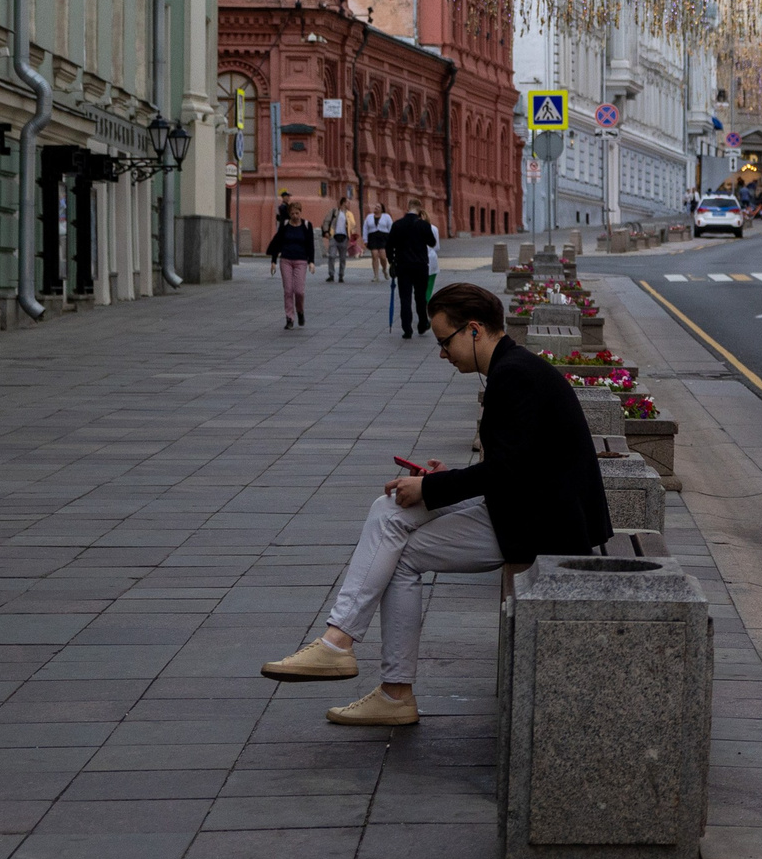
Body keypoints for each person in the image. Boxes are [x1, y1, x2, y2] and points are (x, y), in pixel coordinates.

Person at [259, 284, 612, 725]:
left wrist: (431, 489)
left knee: (400, 556)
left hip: (543, 525)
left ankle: (381, 681)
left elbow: (508, 472)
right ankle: (341, 646)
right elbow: (513, 464)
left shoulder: (513, 376)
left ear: (474, 330)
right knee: (389, 509)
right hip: (529, 506)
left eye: (445, 342)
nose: (442, 354)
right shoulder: (513, 368)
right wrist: (440, 480)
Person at [385, 203, 439, 339]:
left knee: (405, 298)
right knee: (420, 296)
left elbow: (389, 246)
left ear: (407, 208)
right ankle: (422, 323)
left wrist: (391, 260)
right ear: (420, 211)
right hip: (420, 265)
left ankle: (407, 329)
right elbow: (432, 243)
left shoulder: (397, 225)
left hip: (403, 265)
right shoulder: (424, 225)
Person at [266, 203, 316, 329]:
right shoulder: (284, 225)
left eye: (297, 213)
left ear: (301, 212)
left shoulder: (306, 225)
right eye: (292, 213)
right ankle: (289, 318)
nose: (295, 216)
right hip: (286, 260)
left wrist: (312, 262)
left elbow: (310, 244)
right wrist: (273, 261)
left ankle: (300, 311)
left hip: (301, 261)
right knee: (288, 290)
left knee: (299, 291)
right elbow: (277, 242)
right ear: (289, 214)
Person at [322, 197, 355, 285]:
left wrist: (353, 237)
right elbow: (326, 221)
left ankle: (341, 275)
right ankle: (331, 274)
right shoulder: (334, 211)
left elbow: (353, 226)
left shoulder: (349, 214)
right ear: (343, 203)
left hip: (344, 238)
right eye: (348, 202)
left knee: (343, 258)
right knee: (332, 256)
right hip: (333, 236)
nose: (349, 204)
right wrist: (326, 231)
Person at [364, 206, 393, 280]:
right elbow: (365, 228)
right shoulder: (369, 217)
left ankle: (384, 269)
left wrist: (391, 239)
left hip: (383, 237)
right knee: (374, 255)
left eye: (378, 207)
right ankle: (376, 275)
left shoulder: (386, 216)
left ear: (382, 209)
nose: (376, 208)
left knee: (383, 256)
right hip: (373, 237)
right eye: (375, 207)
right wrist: (365, 239)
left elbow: (390, 227)